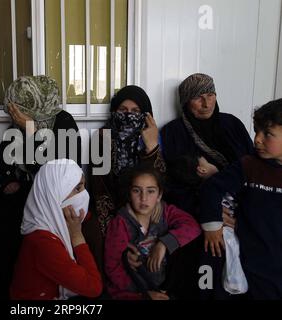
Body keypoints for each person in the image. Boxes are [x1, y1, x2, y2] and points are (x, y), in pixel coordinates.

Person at [160, 73, 254, 299]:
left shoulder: (232, 125)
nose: (206, 103)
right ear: (185, 102)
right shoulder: (173, 133)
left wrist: (240, 211)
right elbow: (172, 186)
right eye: (198, 97)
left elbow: (251, 169)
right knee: (205, 257)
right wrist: (209, 214)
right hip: (196, 210)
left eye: (211, 95)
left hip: (240, 208)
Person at [0, 75, 81, 298]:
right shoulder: (21, 122)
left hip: (57, 200)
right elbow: (5, 155)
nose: (15, 116)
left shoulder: (63, 122)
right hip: (27, 193)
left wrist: (33, 131)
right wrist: (9, 180)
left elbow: (59, 170)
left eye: (18, 110)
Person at [200, 99, 282, 299]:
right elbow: (211, 189)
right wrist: (212, 226)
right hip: (250, 258)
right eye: (257, 131)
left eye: (267, 134)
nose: (257, 139)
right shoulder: (249, 165)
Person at [86, 85, 165, 280]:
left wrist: (152, 146)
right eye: (123, 110)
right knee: (97, 231)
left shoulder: (153, 136)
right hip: (111, 203)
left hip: (146, 201)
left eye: (136, 111)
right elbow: (99, 184)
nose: (129, 116)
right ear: (114, 112)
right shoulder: (102, 137)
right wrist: (118, 216)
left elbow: (159, 180)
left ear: (147, 115)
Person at [9, 159, 103, 300]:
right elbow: (94, 287)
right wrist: (77, 237)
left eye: (84, 186)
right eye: (77, 188)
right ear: (55, 194)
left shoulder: (53, 226)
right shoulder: (42, 243)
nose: (84, 195)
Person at [104, 165, 200, 300]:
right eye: (137, 191)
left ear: (159, 195)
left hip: (163, 287)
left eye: (151, 191)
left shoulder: (165, 212)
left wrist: (164, 244)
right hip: (133, 292)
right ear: (129, 193)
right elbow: (113, 268)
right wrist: (143, 294)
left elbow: (192, 227)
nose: (144, 198)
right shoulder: (121, 223)